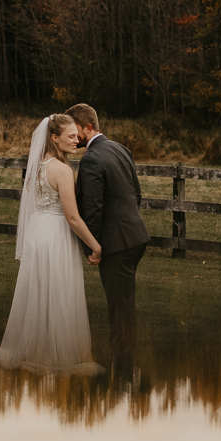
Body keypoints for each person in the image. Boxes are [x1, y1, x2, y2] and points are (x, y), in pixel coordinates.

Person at [0, 114, 104, 375]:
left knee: (39, 291)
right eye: (71, 136)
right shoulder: (62, 170)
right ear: (54, 138)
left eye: (77, 136)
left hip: (38, 232)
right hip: (56, 234)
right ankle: (56, 355)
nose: (77, 140)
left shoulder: (38, 166)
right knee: (59, 291)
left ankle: (32, 348)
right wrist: (95, 246)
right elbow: (72, 217)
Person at [65, 103, 150, 351]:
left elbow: (92, 208)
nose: (73, 136)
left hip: (117, 244)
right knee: (124, 302)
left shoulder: (91, 159)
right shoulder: (120, 149)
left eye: (75, 130)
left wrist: (92, 246)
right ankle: (125, 359)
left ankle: (123, 365)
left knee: (120, 306)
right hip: (135, 237)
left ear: (88, 128)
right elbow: (137, 194)